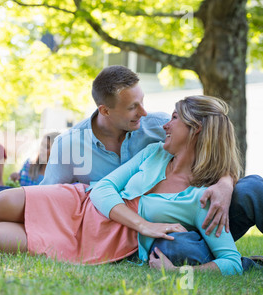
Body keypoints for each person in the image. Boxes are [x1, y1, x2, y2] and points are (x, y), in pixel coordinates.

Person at [0, 96, 247, 275]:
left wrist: (180, 272)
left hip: (102, 240)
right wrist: (143, 224)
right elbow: (103, 188)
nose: (165, 125)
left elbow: (231, 262)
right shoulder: (154, 152)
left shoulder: (203, 198)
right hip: (82, 202)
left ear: (195, 131)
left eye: (174, 119)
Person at [40, 65, 262, 241]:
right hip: (139, 236)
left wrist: (224, 184)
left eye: (142, 101)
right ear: (105, 110)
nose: (144, 112)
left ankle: (215, 257)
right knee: (177, 248)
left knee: (254, 187)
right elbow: (49, 200)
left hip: (196, 218)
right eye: (132, 107)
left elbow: (213, 149)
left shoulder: (158, 126)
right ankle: (221, 261)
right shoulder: (68, 145)